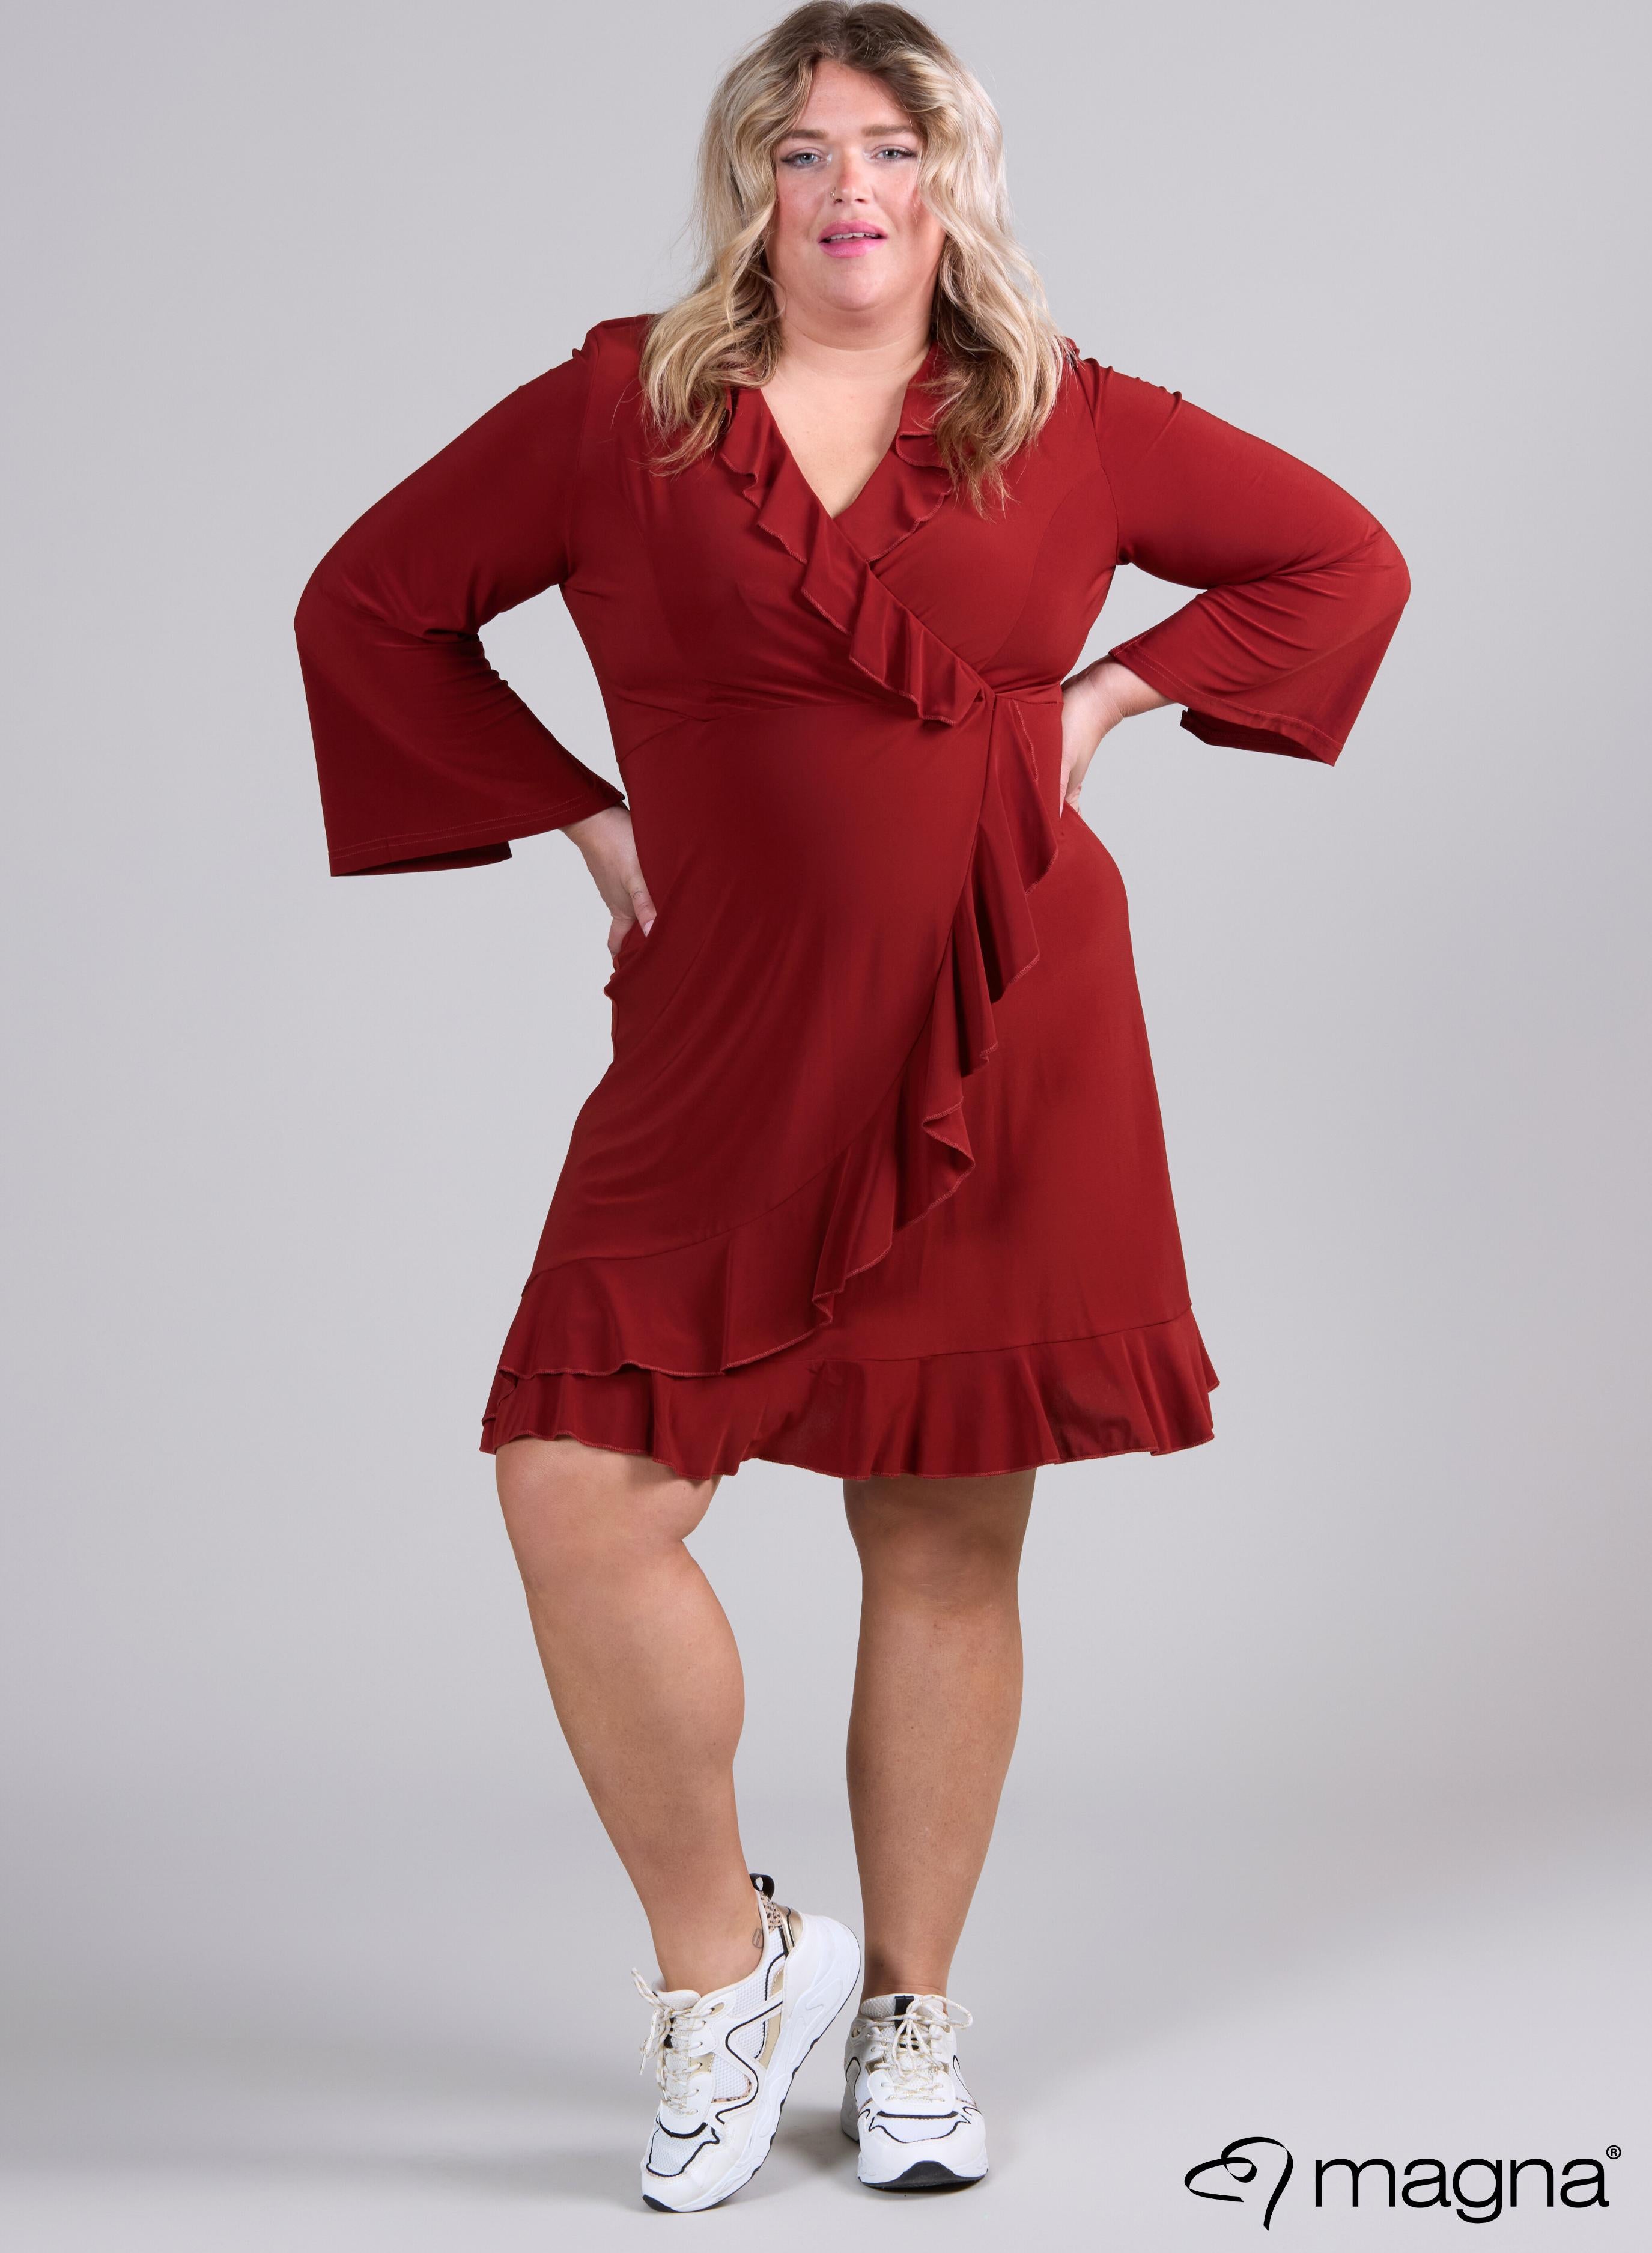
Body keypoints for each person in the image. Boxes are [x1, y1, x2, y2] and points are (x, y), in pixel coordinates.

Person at [294, 0, 1408, 2213]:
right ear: (752, 188)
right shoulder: (623, 410)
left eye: (891, 148)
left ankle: (910, 2022)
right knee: (576, 1490)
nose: (849, 190)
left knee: (944, 1524)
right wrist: (587, 820)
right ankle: (731, 1976)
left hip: (1011, 1012)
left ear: (951, 179)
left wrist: (1102, 703)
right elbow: (373, 606)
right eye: (802, 152)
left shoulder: (1061, 416)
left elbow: (1339, 557)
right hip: (730, 1029)